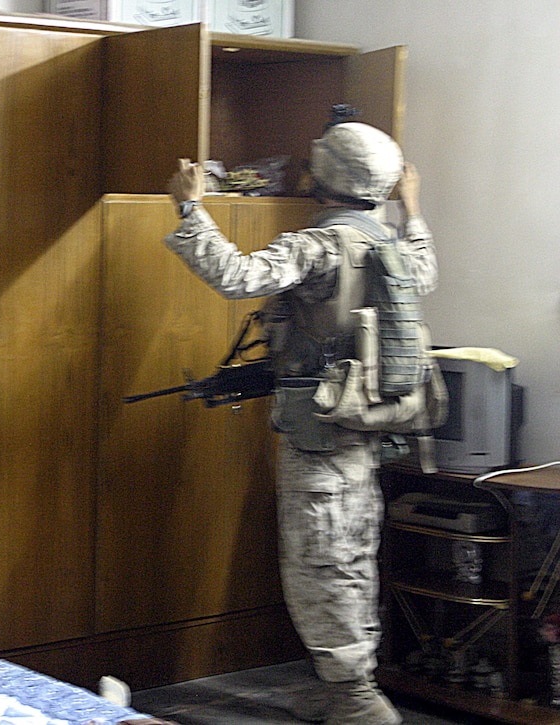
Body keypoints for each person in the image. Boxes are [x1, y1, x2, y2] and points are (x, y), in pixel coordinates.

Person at [162, 121, 437, 725]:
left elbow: (236, 276)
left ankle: (355, 696)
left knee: (322, 559)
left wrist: (191, 206)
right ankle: (338, 682)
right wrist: (410, 207)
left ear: (323, 178)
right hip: (368, 430)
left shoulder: (321, 246)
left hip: (320, 436)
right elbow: (425, 269)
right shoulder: (390, 244)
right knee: (351, 550)